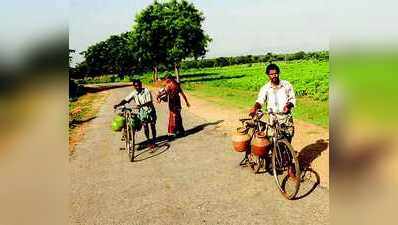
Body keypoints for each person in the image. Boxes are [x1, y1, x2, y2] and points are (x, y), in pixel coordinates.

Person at [249, 63, 296, 142]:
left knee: (287, 139)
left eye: (276, 73)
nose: (274, 75)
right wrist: (255, 108)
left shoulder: (286, 85)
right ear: (268, 75)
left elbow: (292, 99)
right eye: (271, 74)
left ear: (278, 73)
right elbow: (260, 101)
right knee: (272, 140)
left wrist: (288, 105)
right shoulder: (265, 88)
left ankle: (287, 153)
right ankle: (274, 153)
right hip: (272, 117)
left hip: (285, 118)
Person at [114, 79, 157, 150]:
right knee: (145, 126)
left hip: (150, 110)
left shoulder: (146, 91)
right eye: (136, 86)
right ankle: (149, 140)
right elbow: (126, 100)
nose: (138, 87)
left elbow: (149, 101)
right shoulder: (134, 93)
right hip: (142, 112)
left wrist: (141, 105)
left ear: (141, 85)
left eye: (139, 85)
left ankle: (154, 140)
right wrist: (118, 104)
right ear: (134, 86)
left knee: (152, 125)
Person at [156, 74, 190, 140]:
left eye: (166, 79)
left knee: (174, 117)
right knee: (178, 116)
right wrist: (186, 102)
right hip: (178, 101)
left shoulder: (169, 85)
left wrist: (158, 96)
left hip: (172, 102)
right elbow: (182, 94)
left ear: (169, 79)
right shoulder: (177, 84)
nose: (166, 80)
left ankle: (174, 132)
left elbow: (164, 93)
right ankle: (181, 131)